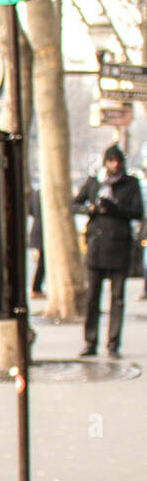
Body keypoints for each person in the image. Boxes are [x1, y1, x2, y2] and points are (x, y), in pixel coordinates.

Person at [72, 144, 142, 358]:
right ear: (105, 162)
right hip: (96, 247)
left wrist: (116, 208)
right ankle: (90, 341)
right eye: (111, 161)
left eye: (117, 161)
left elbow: (138, 212)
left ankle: (113, 343)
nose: (114, 165)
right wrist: (90, 209)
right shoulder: (94, 182)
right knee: (93, 297)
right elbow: (74, 204)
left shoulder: (131, 184)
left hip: (119, 247)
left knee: (117, 298)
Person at [28, 188, 45, 298]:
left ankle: (36, 288)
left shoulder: (35, 194)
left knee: (41, 262)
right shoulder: (44, 194)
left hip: (36, 230)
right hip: (42, 232)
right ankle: (36, 288)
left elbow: (30, 211)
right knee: (42, 263)